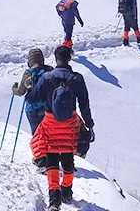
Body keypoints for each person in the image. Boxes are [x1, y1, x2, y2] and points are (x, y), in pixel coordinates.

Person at [27, 45, 94, 210]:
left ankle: (54, 200)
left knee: (51, 161)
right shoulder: (77, 78)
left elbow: (33, 98)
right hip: (70, 124)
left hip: (50, 123)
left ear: (55, 59)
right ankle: (66, 191)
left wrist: (29, 89)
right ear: (69, 58)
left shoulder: (48, 77)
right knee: (67, 158)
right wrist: (89, 125)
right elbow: (84, 105)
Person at [12, 48, 54, 136]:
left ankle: (37, 148)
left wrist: (14, 89)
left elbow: (20, 91)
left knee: (36, 134)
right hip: (47, 107)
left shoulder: (28, 73)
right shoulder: (49, 70)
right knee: (49, 133)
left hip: (32, 109)